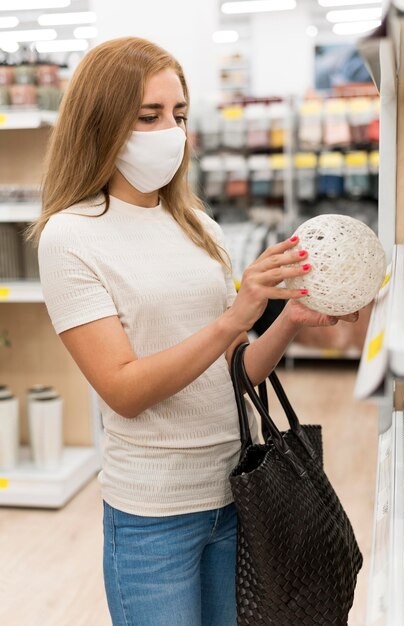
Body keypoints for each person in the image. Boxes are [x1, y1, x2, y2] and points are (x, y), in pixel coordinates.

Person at [27, 36, 359, 626]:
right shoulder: (71, 236)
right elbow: (124, 390)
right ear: (101, 122)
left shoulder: (200, 227)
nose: (170, 131)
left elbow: (236, 375)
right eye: (148, 116)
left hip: (236, 498)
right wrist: (235, 315)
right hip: (151, 518)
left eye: (178, 114)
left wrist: (287, 322)